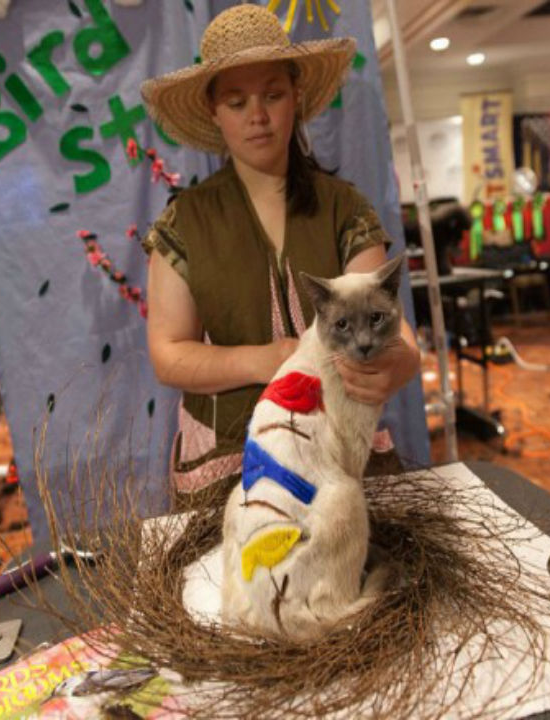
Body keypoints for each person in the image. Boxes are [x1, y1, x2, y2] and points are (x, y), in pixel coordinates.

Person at [140, 4, 421, 510]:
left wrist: (402, 360)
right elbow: (168, 353)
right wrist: (268, 359)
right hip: (228, 463)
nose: (258, 115)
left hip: (338, 450)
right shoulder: (183, 225)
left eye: (273, 95)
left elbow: (392, 328)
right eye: (236, 101)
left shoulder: (343, 208)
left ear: (296, 96)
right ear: (213, 111)